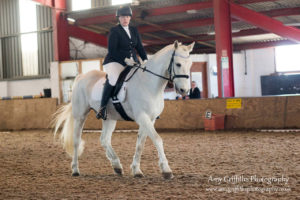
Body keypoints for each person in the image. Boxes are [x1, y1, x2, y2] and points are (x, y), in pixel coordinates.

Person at [96, 5, 148, 120]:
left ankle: (147, 106)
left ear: (130, 18)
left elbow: (139, 47)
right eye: (122, 17)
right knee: (114, 78)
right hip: (115, 61)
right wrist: (125, 60)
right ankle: (102, 107)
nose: (125, 19)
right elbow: (112, 50)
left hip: (133, 61)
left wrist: (145, 59)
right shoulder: (114, 31)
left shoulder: (134, 30)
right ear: (118, 18)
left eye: (127, 17)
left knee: (142, 77)